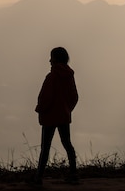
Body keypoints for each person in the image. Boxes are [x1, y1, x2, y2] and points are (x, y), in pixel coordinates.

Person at [33, 46, 79, 186]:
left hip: (50, 116)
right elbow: (74, 96)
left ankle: (38, 178)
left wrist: (40, 109)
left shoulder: (52, 77)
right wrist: (67, 109)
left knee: (45, 148)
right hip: (64, 115)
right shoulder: (69, 76)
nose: (49, 60)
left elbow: (45, 97)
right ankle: (73, 174)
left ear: (56, 59)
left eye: (51, 57)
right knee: (68, 145)